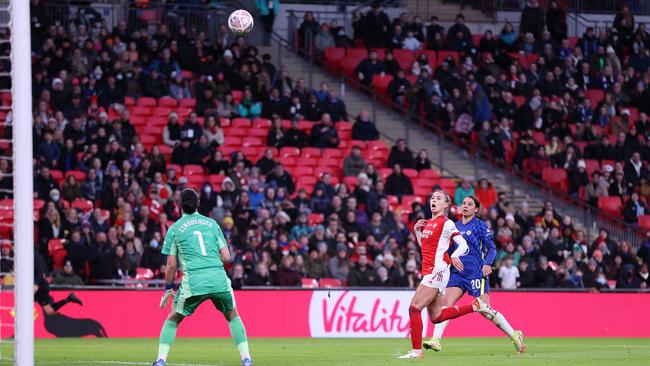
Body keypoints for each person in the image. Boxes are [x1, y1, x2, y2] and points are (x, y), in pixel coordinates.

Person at [153, 189, 252, 366]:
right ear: (198, 203)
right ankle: (246, 360)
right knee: (233, 316)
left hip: (194, 281)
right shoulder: (212, 224)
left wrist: (168, 288)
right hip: (218, 278)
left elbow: (171, 265)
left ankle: (160, 361)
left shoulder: (174, 229)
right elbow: (227, 257)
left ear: (179, 205)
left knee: (173, 319)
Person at [424, 196, 525, 353]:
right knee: (445, 305)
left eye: (469, 204)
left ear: (476, 209)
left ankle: (514, 334)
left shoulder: (480, 226)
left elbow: (492, 248)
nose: (465, 206)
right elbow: (449, 251)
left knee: (484, 310)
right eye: (464, 203)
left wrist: (487, 264)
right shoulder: (454, 226)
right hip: (458, 274)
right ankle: (436, 340)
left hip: (477, 273)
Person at [399, 190, 491, 359]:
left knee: (414, 308)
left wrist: (455, 255)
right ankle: (474, 306)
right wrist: (418, 232)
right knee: (436, 317)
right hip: (430, 270)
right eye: (432, 198)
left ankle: (416, 352)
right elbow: (425, 248)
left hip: (437, 271)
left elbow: (463, 244)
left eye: (438, 198)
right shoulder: (426, 223)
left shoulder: (447, 223)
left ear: (446, 204)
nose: (434, 200)